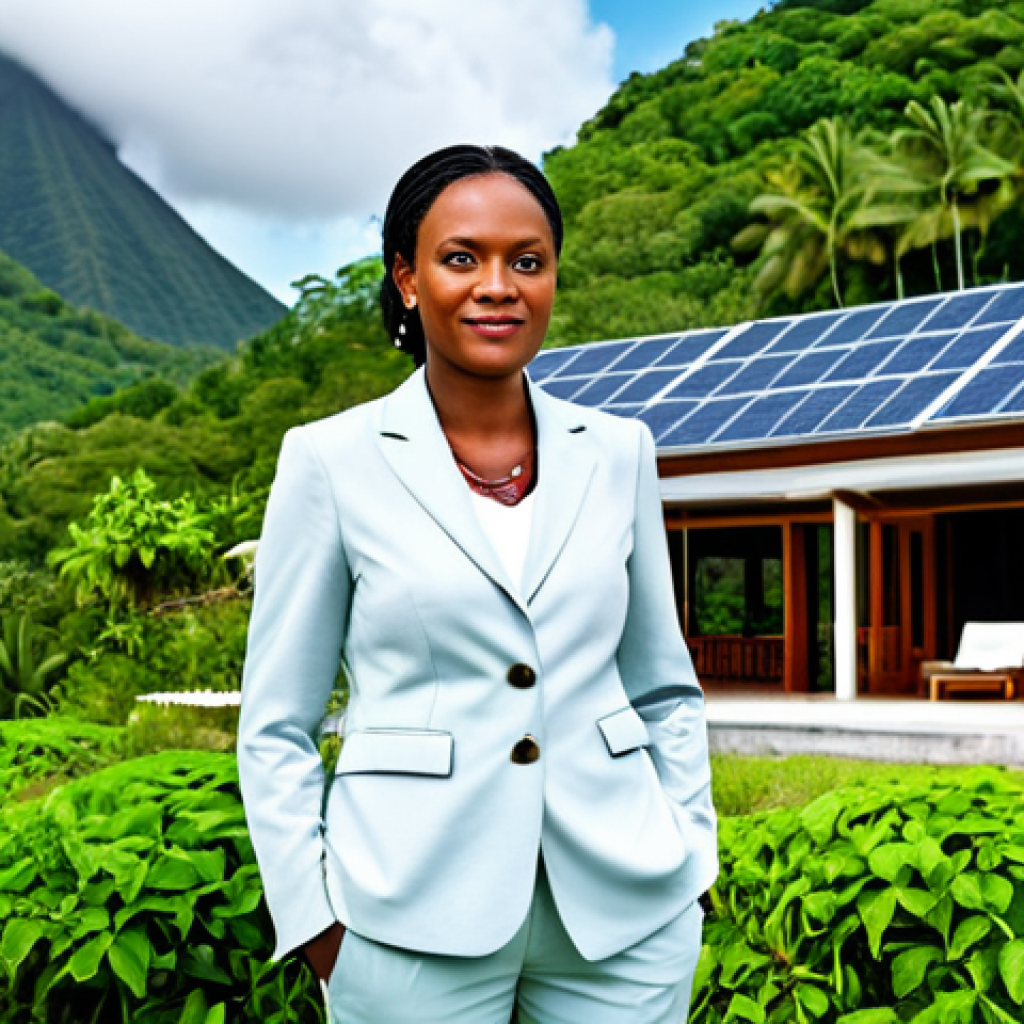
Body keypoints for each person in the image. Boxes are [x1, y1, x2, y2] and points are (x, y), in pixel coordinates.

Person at [236, 143, 718, 1024]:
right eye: (462, 258)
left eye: (526, 262)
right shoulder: (328, 460)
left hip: (624, 919)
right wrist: (315, 923)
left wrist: (691, 862)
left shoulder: (620, 452)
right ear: (407, 279)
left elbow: (664, 690)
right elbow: (275, 724)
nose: (498, 286)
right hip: (407, 918)